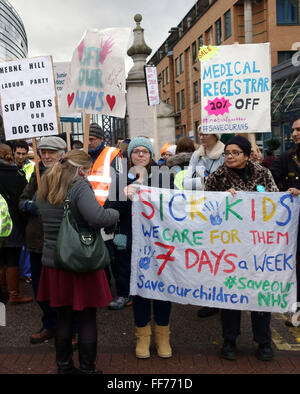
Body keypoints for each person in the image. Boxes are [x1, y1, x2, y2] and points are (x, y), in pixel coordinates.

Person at [36, 149, 119, 374]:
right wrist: (114, 214)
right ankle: (86, 369)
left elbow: (36, 210)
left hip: (54, 261)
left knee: (63, 316)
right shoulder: (79, 185)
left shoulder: (45, 181)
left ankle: (64, 368)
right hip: (79, 260)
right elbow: (97, 218)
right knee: (86, 317)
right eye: (88, 170)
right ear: (81, 169)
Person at [205, 135, 279, 361]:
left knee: (259, 293)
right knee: (230, 293)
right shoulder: (218, 176)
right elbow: (203, 206)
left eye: (235, 153)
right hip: (229, 246)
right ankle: (229, 340)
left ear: (247, 155)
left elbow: (276, 201)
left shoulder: (262, 173)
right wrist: (221, 199)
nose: (229, 156)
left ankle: (263, 342)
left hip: (258, 245)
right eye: (227, 152)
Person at [105, 137, 173, 359]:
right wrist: (124, 196)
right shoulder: (121, 179)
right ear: (130, 155)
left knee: (162, 289)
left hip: (159, 243)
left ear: (151, 155)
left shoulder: (163, 176)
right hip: (132, 243)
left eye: (145, 151)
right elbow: (109, 210)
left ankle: (163, 336)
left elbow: (175, 207)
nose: (141, 155)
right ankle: (142, 337)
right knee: (140, 290)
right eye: (136, 152)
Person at [19, 136, 67, 344]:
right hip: (38, 241)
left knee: (64, 289)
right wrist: (31, 206)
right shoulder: (37, 173)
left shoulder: (69, 174)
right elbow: (22, 200)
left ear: (61, 154)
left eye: (51, 152)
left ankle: (69, 329)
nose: (46, 156)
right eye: (43, 152)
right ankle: (50, 325)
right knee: (40, 289)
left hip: (61, 242)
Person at [184, 129, 225, 318]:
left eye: (206, 133)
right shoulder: (197, 154)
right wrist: (207, 181)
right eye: (200, 133)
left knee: (222, 254)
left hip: (223, 212)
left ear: (216, 135)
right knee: (206, 254)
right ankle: (210, 298)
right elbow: (186, 183)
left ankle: (223, 295)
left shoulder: (226, 154)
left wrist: (202, 182)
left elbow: (226, 182)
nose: (202, 136)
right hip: (202, 211)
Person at [270, 118, 300, 327]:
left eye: (298, 129)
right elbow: (268, 183)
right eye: (293, 130)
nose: (294, 134)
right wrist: (283, 194)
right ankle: (296, 310)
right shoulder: (287, 157)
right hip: (295, 225)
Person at [0, 144, 32, 304]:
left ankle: (3, 291)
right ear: (11, 154)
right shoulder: (17, 175)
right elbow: (25, 197)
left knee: (0, 258)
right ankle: (14, 294)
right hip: (12, 222)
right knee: (12, 257)